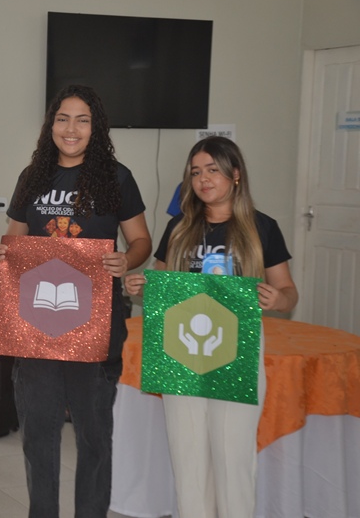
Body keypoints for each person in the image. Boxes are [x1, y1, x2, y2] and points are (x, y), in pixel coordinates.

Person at [0, 85, 152, 518]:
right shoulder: (32, 177)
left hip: (96, 328)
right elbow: (13, 242)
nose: (71, 128)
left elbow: (141, 241)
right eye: (63, 118)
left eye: (82, 120)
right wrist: (0, 257)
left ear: (96, 128)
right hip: (35, 327)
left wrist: (126, 259)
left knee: (94, 436)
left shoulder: (117, 177)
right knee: (38, 435)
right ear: (51, 125)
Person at [124, 136, 298, 518]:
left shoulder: (262, 227)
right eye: (196, 172)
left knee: (233, 458)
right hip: (180, 351)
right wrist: (140, 287)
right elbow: (160, 284)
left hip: (238, 352)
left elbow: (288, 293)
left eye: (212, 170)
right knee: (187, 458)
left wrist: (277, 299)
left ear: (235, 174)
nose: (203, 179)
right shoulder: (180, 226)